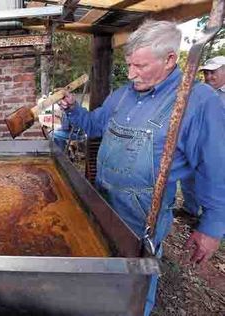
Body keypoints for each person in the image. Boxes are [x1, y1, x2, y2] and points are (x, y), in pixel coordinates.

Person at [60, 20, 225, 315]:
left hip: (142, 212)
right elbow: (95, 125)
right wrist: (74, 110)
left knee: (133, 286)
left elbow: (215, 168)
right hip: (103, 199)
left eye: (141, 66)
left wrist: (211, 227)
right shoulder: (123, 95)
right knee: (102, 266)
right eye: (130, 64)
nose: (132, 73)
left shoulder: (198, 101)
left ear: (170, 59)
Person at [180, 55, 225, 215]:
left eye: (213, 72)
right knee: (189, 178)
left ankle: (212, 220)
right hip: (194, 144)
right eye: (206, 73)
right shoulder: (198, 93)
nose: (209, 76)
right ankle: (190, 210)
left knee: (214, 183)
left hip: (218, 147)